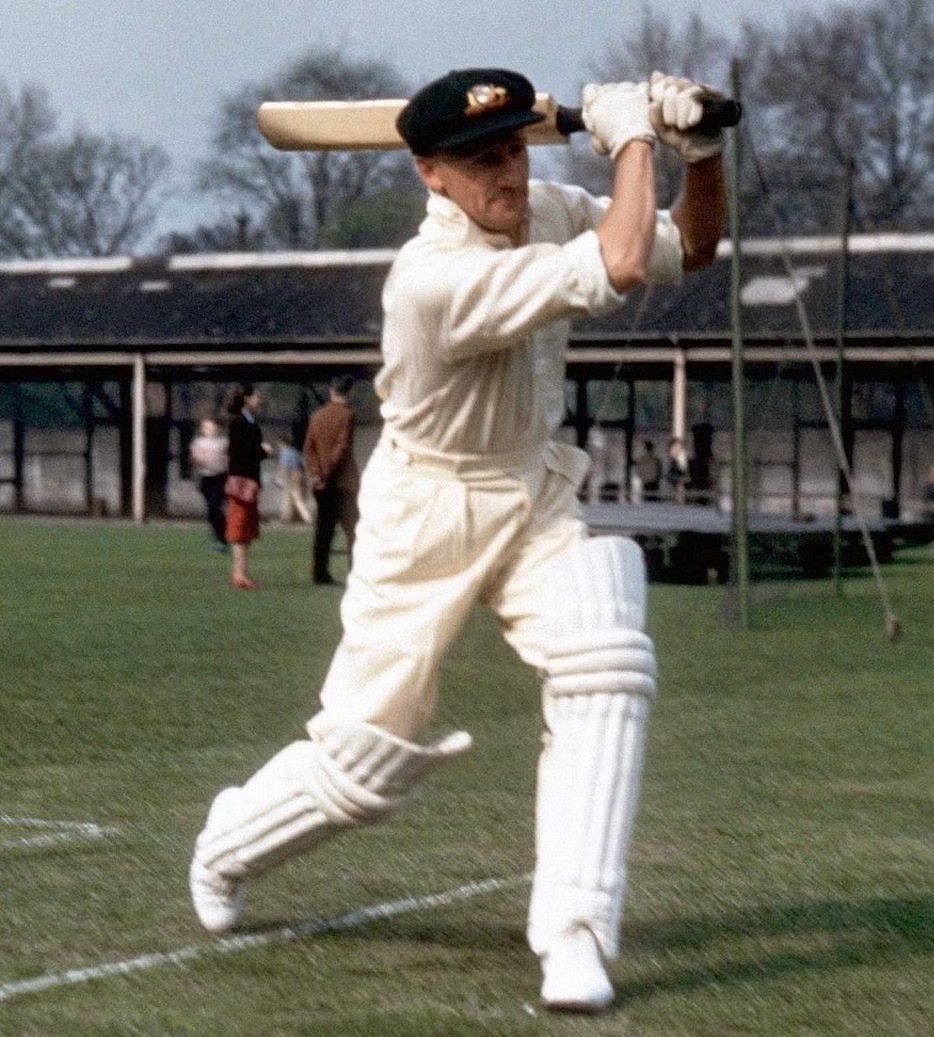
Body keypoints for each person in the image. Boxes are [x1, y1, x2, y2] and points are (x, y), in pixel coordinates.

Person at [188, 68, 727, 1012]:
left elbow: (695, 243)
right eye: (482, 160)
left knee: (606, 651)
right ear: (431, 175)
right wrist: (634, 136)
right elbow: (626, 261)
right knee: (368, 758)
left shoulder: (553, 206)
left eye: (515, 147)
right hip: (424, 511)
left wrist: (707, 149)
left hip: (530, 491)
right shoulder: (432, 281)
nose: (508, 173)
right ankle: (229, 841)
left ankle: (575, 932)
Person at [303, 374, 361, 585]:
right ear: (350, 392)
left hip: (321, 484)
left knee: (323, 530)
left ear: (331, 391)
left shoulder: (317, 415)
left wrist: (316, 474)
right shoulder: (347, 415)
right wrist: (327, 473)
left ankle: (320, 573)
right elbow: (342, 448)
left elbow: (308, 449)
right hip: (343, 482)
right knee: (353, 530)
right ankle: (357, 572)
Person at [224, 383, 273, 589]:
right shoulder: (238, 423)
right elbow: (241, 453)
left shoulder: (251, 422)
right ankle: (238, 574)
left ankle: (242, 573)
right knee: (239, 528)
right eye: (256, 397)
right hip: (242, 482)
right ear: (247, 399)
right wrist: (264, 451)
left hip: (250, 481)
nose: (259, 400)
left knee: (246, 530)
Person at [189, 417, 230, 550]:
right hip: (206, 478)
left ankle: (224, 537)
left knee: (215, 506)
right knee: (212, 511)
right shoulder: (198, 443)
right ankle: (221, 537)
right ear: (203, 430)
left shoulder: (223, 442)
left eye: (212, 426)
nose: (210, 429)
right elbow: (193, 459)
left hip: (220, 477)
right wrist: (196, 459)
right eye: (207, 427)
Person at [273, 436, 314, 525]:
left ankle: (307, 518)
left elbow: (283, 468)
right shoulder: (296, 453)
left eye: (279, 444)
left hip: (291, 477)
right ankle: (286, 518)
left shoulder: (285, 454)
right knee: (292, 498)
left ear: (284, 444)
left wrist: (278, 478)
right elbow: (304, 465)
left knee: (295, 498)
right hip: (300, 476)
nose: (279, 446)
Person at [665, 435, 689, 500]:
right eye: (676, 448)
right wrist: (680, 479)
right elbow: (667, 476)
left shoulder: (677, 461)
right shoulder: (669, 461)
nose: (678, 450)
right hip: (668, 491)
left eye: (680, 448)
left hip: (675, 490)